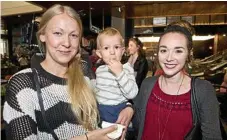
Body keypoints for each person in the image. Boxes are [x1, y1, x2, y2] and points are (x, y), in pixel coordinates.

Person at [3, 4, 133, 140]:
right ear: (42, 35)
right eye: (58, 33)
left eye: (74, 35)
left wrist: (129, 107)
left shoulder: (84, 71)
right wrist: (87, 138)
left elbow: (109, 94)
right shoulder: (22, 83)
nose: (66, 43)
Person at [133, 20, 222, 140]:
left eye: (178, 51)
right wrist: (128, 108)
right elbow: (138, 124)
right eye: (164, 50)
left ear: (188, 54)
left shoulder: (203, 91)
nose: (169, 58)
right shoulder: (147, 84)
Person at [94, 27, 138, 124]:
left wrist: (120, 73)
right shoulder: (99, 70)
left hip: (118, 109)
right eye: (106, 48)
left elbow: (132, 94)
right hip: (100, 110)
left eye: (116, 47)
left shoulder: (126, 69)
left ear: (122, 51)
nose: (112, 52)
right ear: (99, 53)